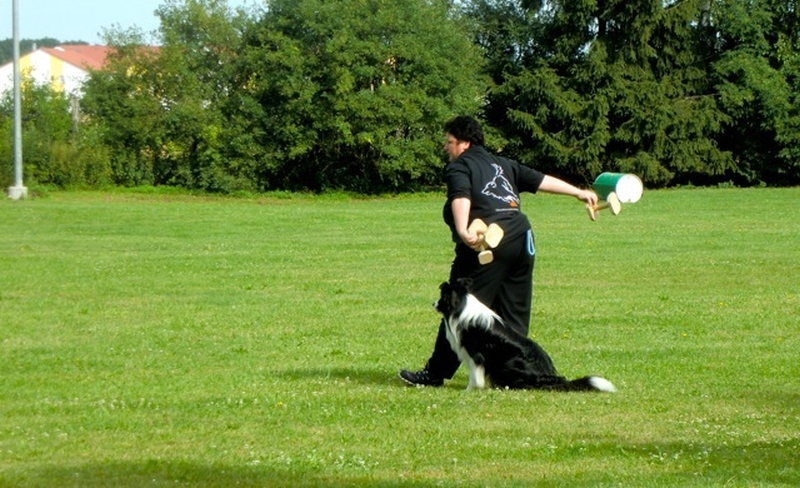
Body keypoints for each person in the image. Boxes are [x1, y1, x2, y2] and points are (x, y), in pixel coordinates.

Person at [399, 115, 599, 387]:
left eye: (450, 142)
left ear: (465, 143)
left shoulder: (460, 166)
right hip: (522, 238)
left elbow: (461, 196)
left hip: (490, 242)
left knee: (457, 306)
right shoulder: (503, 163)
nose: (446, 147)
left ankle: (434, 374)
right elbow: (541, 180)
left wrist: (463, 230)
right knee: (513, 315)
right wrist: (578, 192)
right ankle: (514, 374)